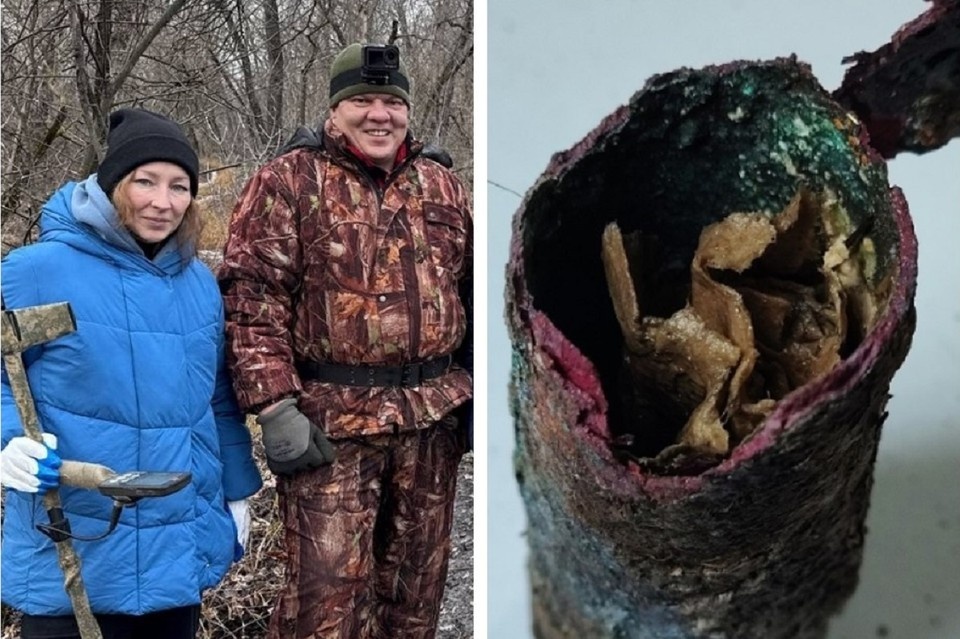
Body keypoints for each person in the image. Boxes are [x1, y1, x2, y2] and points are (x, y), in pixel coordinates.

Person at [218, 42, 472, 639]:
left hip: (431, 421)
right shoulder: (287, 181)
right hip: (329, 425)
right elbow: (251, 299)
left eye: (392, 101)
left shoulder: (442, 186)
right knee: (324, 606)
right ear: (336, 111)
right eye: (363, 101)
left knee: (414, 600)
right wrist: (274, 406)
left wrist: (477, 391)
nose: (379, 114)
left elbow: (475, 291)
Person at [0, 107, 263, 639]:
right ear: (112, 183)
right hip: (75, 544)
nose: (162, 202)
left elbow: (216, 400)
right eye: (145, 181)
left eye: (179, 186)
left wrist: (237, 492)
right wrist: (8, 440)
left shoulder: (198, 285)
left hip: (176, 549)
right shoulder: (36, 271)